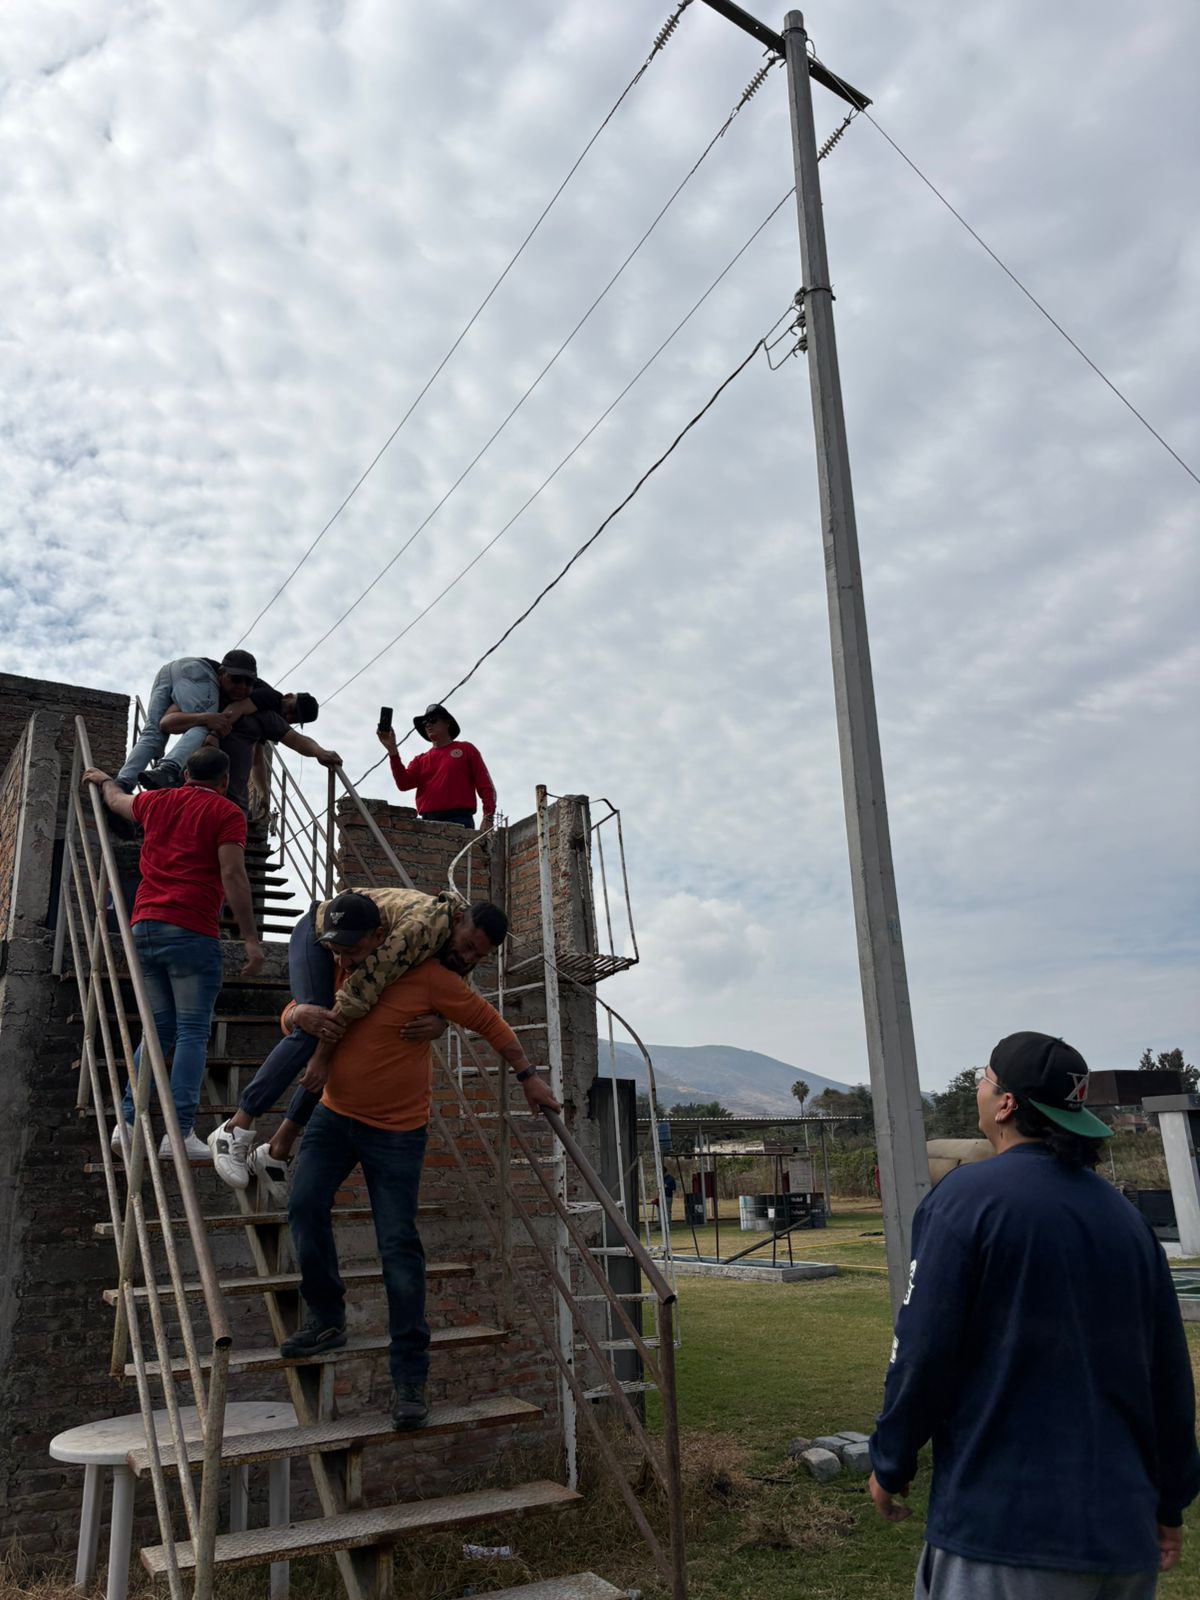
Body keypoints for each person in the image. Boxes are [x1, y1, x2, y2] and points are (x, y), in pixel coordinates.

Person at [868, 1030, 1200, 1598]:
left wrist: (891, 1460)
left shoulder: (965, 1200)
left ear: (1005, 1104)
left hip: (1006, 1532)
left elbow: (923, 1347)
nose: (977, 1086)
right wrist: (1169, 1501)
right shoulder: (1124, 1220)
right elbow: (1168, 1374)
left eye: (985, 1077)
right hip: (1122, 1539)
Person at [281, 935, 560, 1429]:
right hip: (334, 1117)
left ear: (381, 940)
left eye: (353, 952)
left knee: (398, 1247)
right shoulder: (340, 962)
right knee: (303, 1206)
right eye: (339, 954)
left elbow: (490, 1023)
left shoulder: (429, 978)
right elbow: (298, 1013)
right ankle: (327, 1319)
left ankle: (410, 1379)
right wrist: (294, 1016)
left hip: (396, 1132)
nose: (345, 962)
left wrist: (527, 1076)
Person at [208, 889, 503, 1187]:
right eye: (467, 947)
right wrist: (319, 1057)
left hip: (353, 946)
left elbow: (458, 990)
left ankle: (277, 1150)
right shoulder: (416, 932)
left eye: (478, 955)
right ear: (457, 920)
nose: (468, 957)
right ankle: (234, 1127)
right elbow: (358, 993)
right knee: (319, 1028)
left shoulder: (459, 942)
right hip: (316, 931)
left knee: (339, 1040)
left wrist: (443, 1021)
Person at [84, 749, 263, 1159]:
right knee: (192, 1031)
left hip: (144, 926)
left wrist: (105, 778)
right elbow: (233, 873)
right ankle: (178, 1133)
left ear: (184, 774)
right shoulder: (227, 812)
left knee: (157, 1030)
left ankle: (126, 1125)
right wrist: (250, 938)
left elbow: (115, 801)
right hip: (190, 929)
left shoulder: (156, 802)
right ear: (223, 781)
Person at [117, 649, 282, 793]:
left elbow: (165, 724)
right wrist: (208, 719)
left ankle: (122, 783)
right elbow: (279, 700)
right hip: (195, 670)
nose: (242, 687)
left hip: (169, 671)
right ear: (221, 672)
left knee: (152, 733)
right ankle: (169, 768)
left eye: (248, 683)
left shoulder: (197, 691)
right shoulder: (264, 693)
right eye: (235, 679)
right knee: (206, 724)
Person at [377, 702, 495, 831]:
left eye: (432, 720)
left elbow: (486, 786)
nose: (428, 724)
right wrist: (392, 749)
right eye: (425, 723)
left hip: (459, 820)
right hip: (427, 823)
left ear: (447, 722)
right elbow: (403, 784)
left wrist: (488, 817)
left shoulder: (466, 749)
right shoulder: (420, 760)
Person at [208, 695, 333, 813]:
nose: (288, 717)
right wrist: (214, 734)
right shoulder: (268, 697)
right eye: (291, 710)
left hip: (231, 792)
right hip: (211, 780)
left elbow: (257, 760)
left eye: (294, 719)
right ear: (288, 696)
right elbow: (295, 740)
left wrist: (263, 793)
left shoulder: (268, 720)